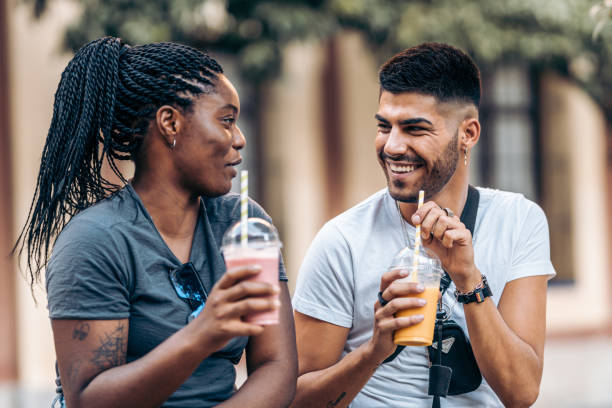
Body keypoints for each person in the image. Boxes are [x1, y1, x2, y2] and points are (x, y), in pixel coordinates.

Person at [15, 37, 297, 408]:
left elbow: (276, 366)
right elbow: (88, 399)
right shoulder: (95, 241)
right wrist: (200, 335)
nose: (240, 139)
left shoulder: (244, 224)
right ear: (170, 123)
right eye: (226, 121)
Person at [291, 42, 555, 407]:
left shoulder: (519, 221)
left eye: (414, 129)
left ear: (469, 134)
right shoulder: (342, 240)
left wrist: (468, 280)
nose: (393, 146)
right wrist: (373, 350)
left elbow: (521, 392)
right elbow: (294, 399)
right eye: (385, 126)